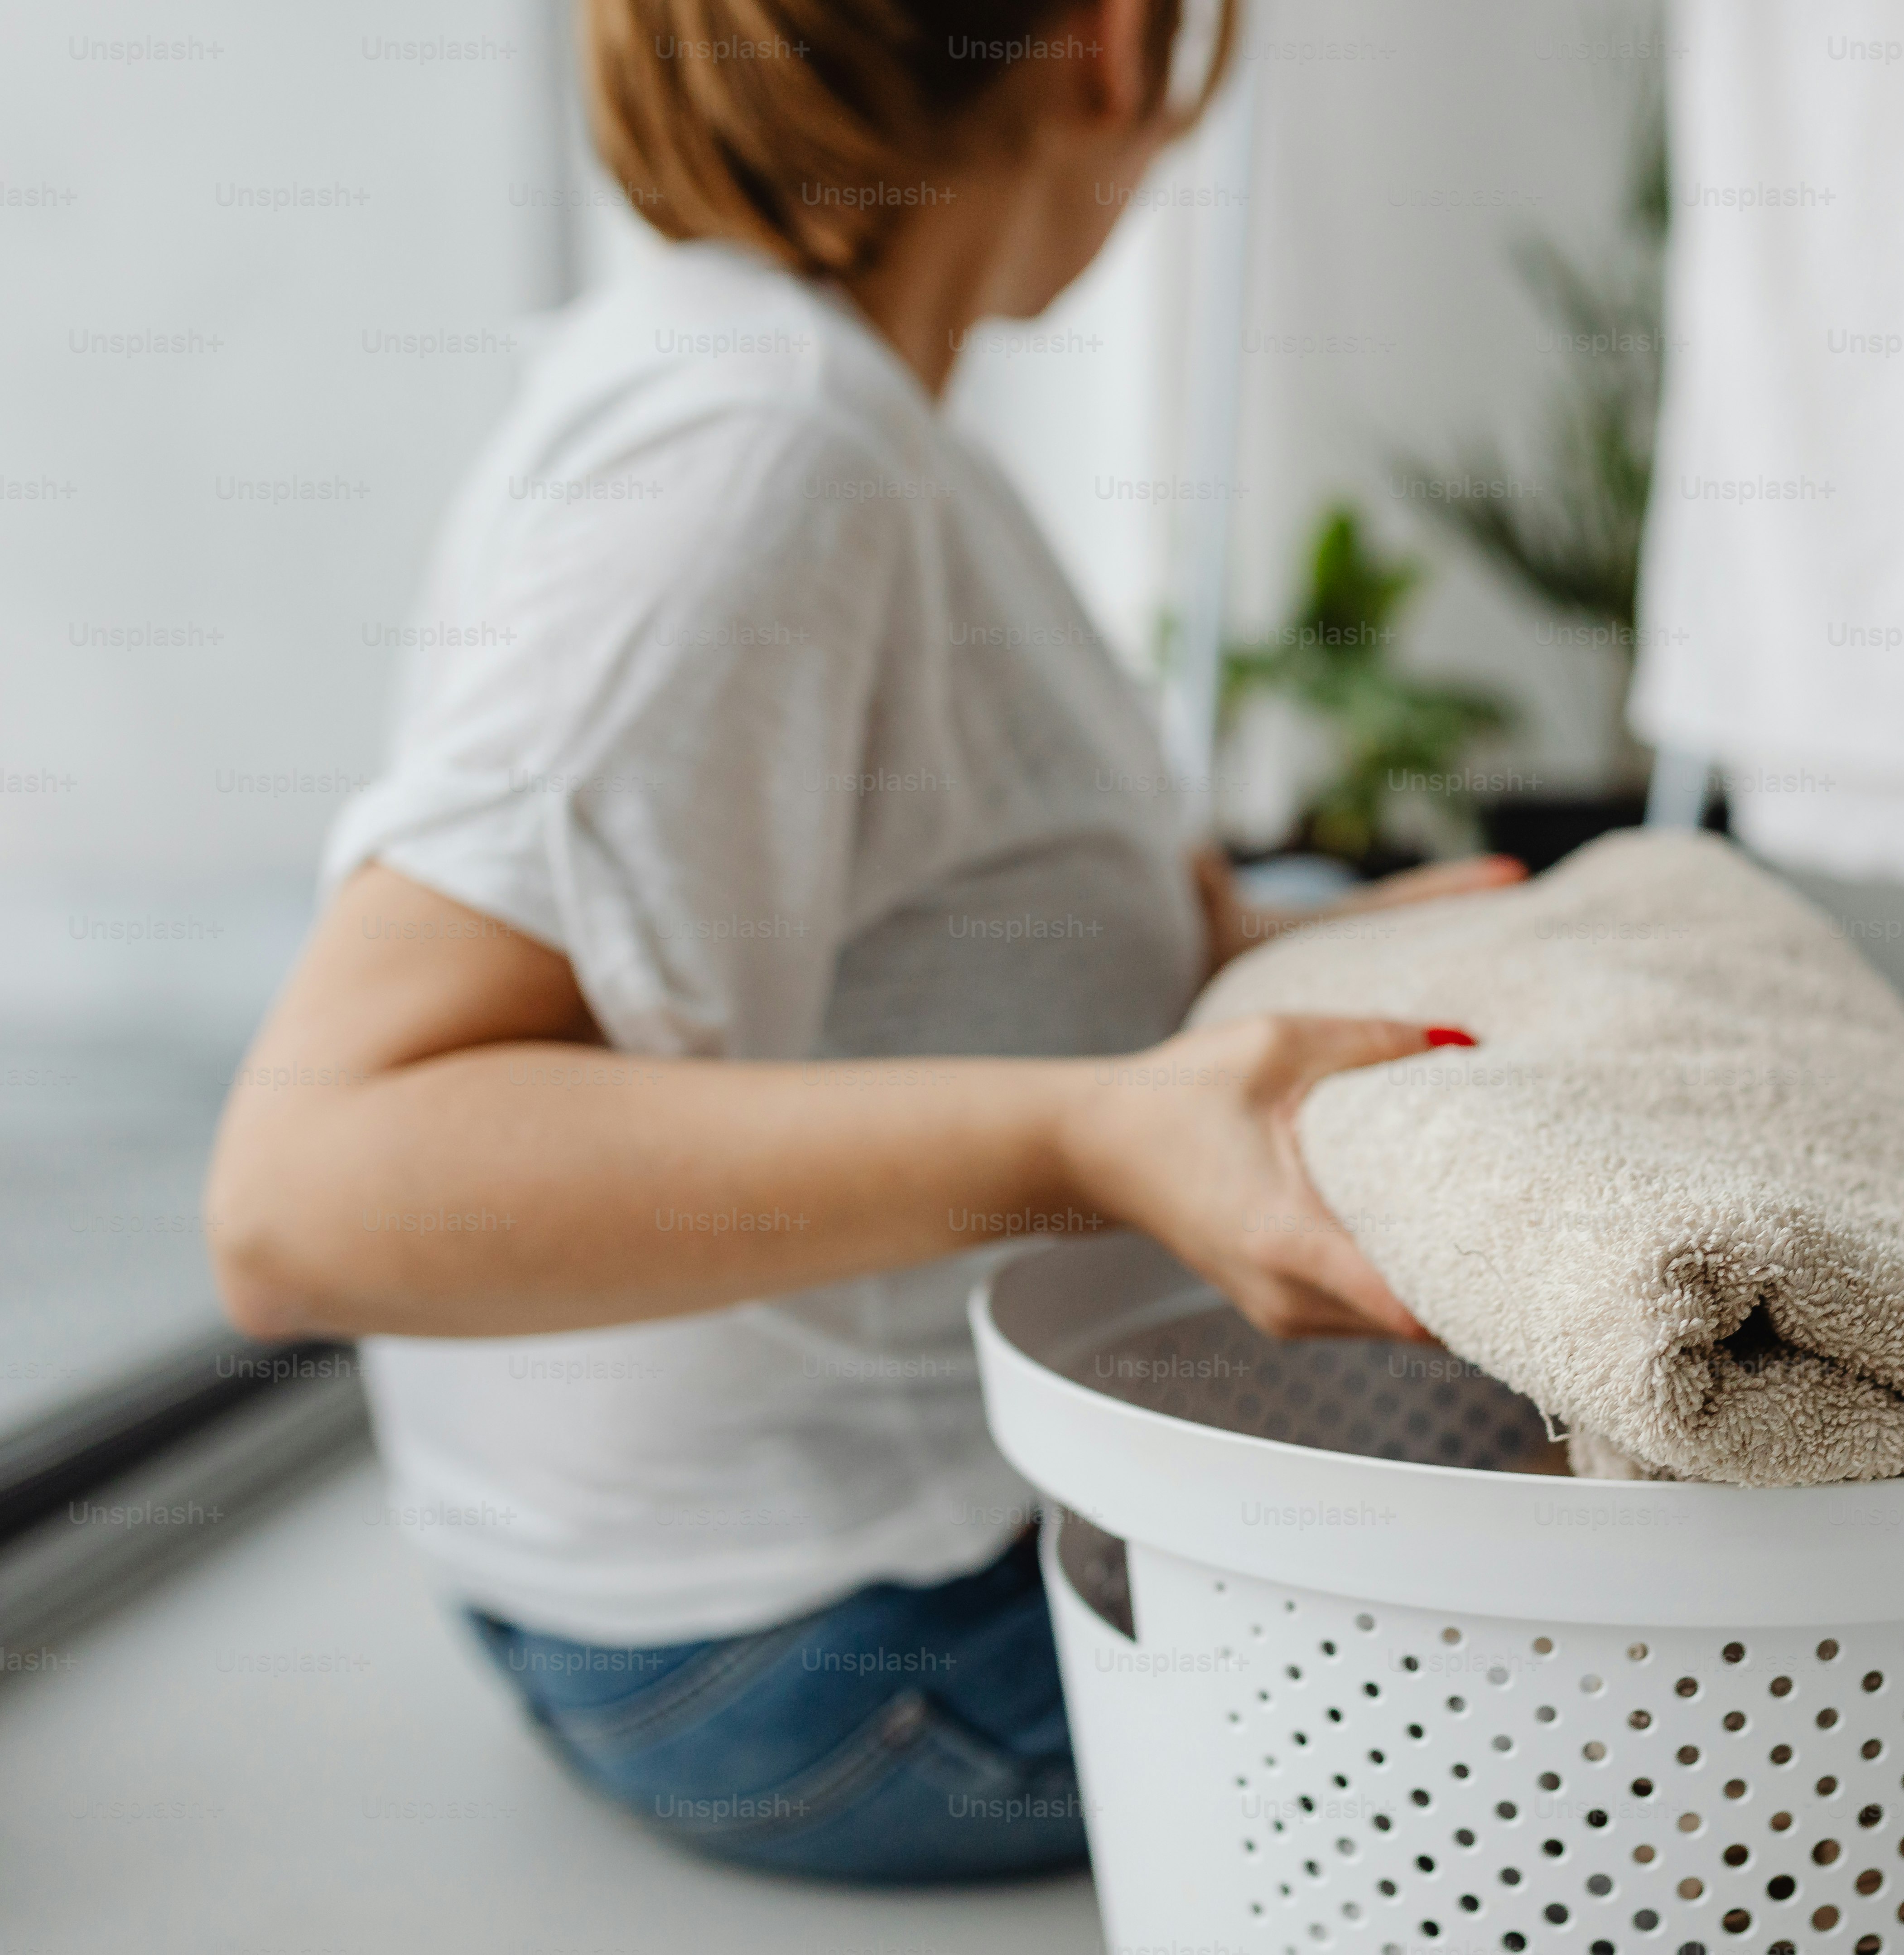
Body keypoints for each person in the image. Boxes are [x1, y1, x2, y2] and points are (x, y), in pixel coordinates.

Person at [202, 0, 1520, 1885]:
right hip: (825, 1647)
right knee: (1750, 1634)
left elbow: (941, 916)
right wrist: (1075, 1137)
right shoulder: (762, 455)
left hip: (711, 1606)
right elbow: (306, 1194)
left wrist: (1299, 931)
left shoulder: (827, 409)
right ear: (1105, 43)